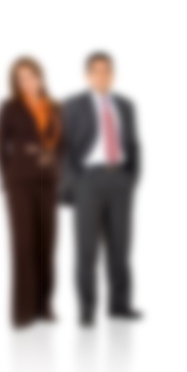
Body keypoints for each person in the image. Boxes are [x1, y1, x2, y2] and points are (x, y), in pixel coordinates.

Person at [61, 52, 142, 326]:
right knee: (87, 249)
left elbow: (133, 144)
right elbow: (62, 149)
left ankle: (119, 305)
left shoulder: (126, 105)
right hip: (88, 181)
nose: (102, 75)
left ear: (113, 74)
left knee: (121, 246)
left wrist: (131, 177)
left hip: (120, 180)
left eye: (107, 70)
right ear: (87, 75)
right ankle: (87, 309)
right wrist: (74, 182)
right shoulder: (72, 105)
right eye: (96, 71)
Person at [0, 56, 63, 328]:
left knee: (46, 243)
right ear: (16, 82)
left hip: (48, 181)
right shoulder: (10, 108)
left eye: (31, 75)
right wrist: (10, 175)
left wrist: (55, 163)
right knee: (24, 244)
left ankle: (43, 306)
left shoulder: (54, 107)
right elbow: (1, 148)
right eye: (22, 78)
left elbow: (63, 143)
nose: (28, 81)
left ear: (40, 76)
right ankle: (23, 310)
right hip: (20, 182)